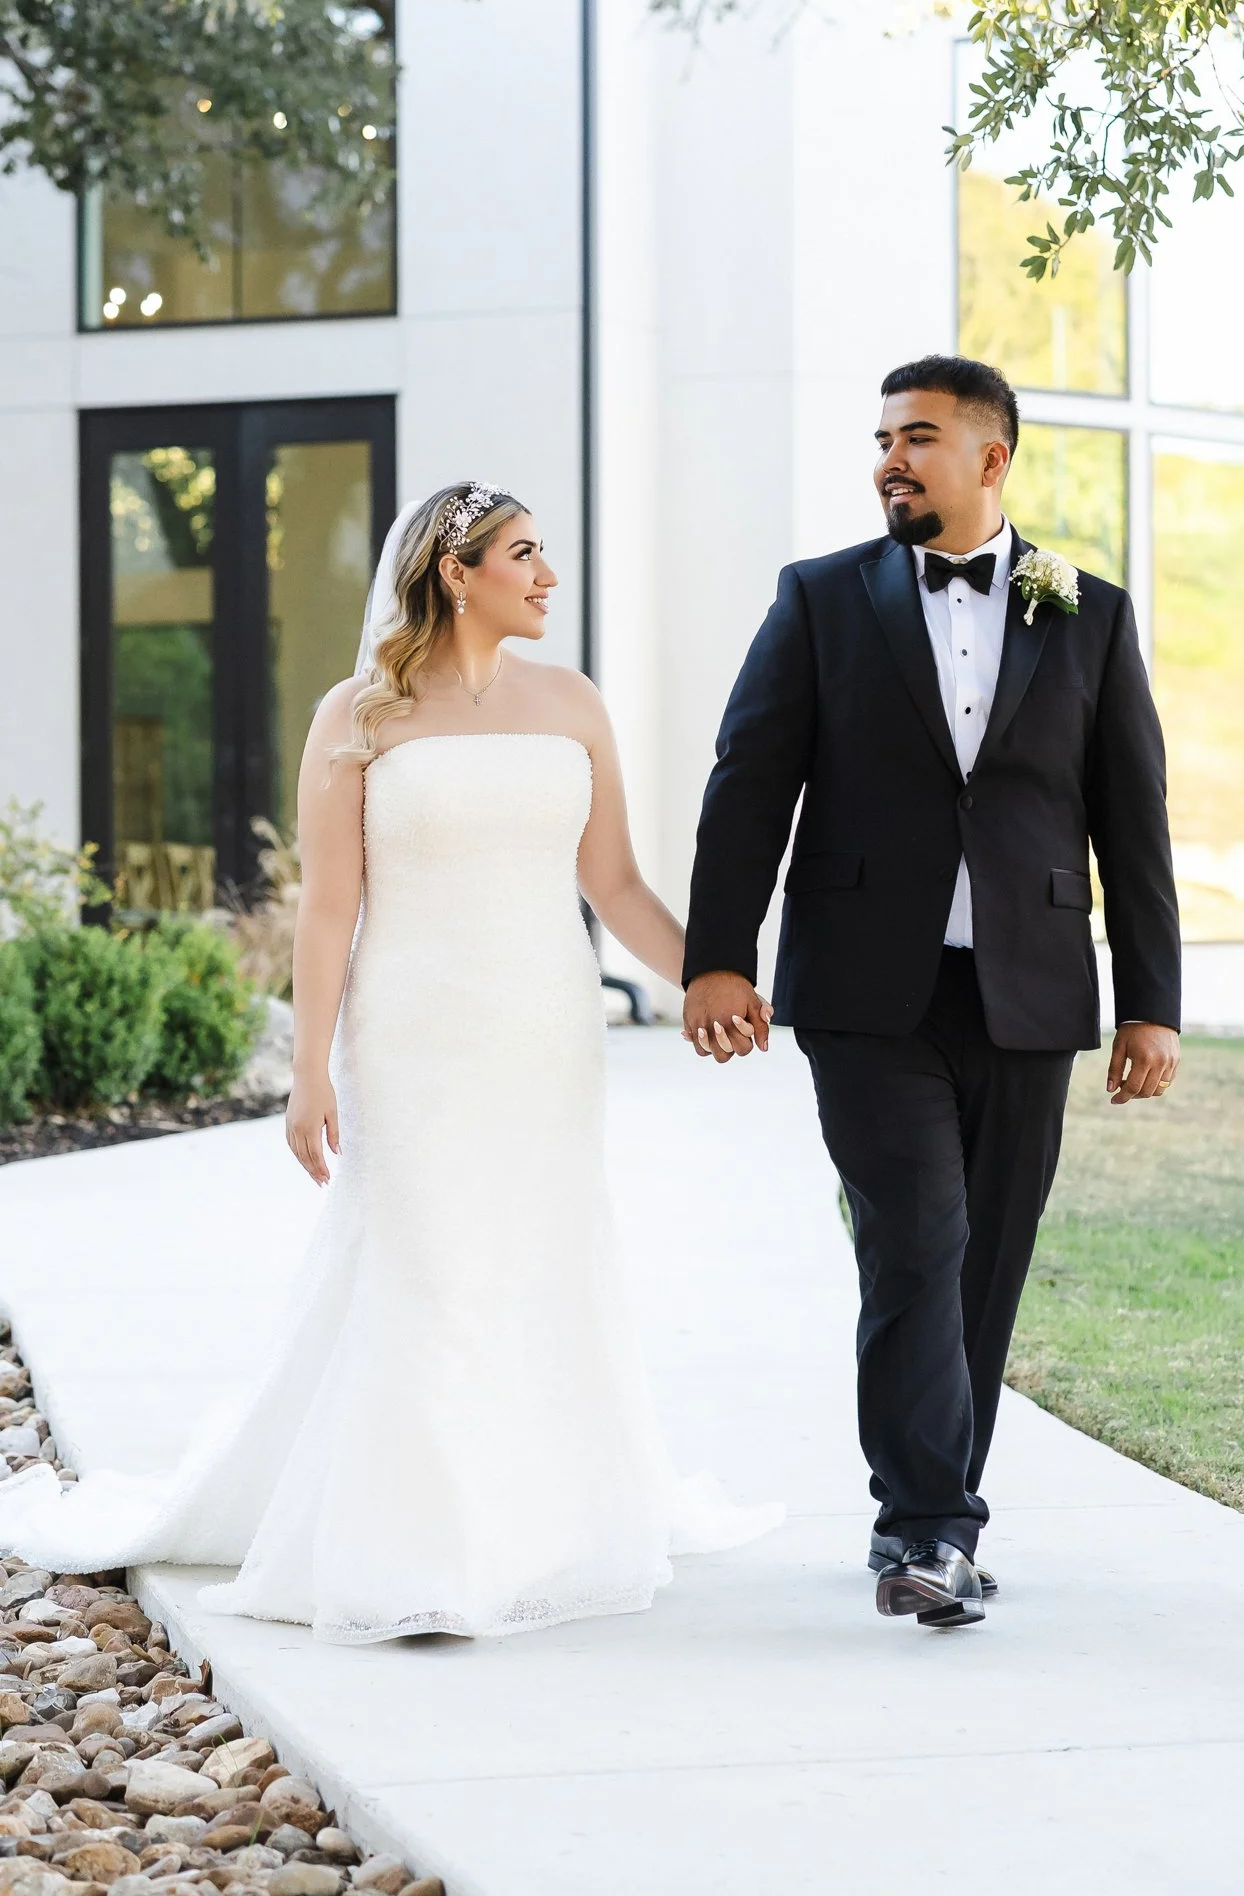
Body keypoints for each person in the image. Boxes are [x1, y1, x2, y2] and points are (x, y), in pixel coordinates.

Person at [0, 482, 780, 1640]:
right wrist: (306, 1069)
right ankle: (418, 1549)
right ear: (459, 573)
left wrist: (715, 975)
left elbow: (611, 882)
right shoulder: (358, 713)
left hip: (542, 1030)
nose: (547, 575)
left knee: (533, 1255)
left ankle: (535, 1521)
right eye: (525, 554)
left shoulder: (572, 703)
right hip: (411, 1027)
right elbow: (327, 908)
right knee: (425, 1265)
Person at [682, 356, 1181, 1628]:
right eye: (882, 438)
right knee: (915, 1241)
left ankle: (928, 1510)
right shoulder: (819, 600)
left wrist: (1150, 1001)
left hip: (1029, 994)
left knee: (984, 1266)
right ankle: (929, 1528)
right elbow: (750, 782)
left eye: (918, 437)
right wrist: (716, 955)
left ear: (991, 459)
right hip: (863, 992)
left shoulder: (1091, 614)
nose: (889, 460)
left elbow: (1133, 824)